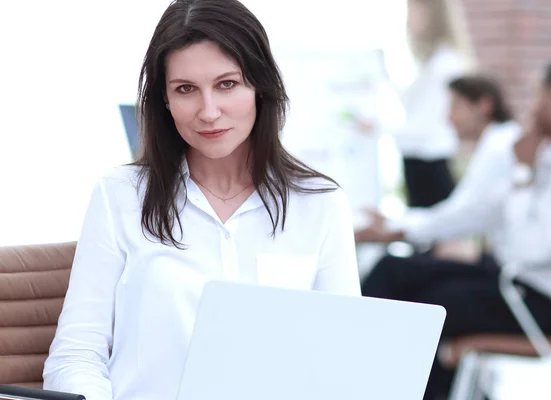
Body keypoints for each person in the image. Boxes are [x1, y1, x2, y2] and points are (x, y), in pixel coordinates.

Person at [43, 1, 360, 399]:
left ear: (260, 87)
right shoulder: (119, 195)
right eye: (186, 89)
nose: (208, 112)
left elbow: (344, 358)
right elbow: (74, 357)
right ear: (164, 99)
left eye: (227, 84)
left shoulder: (320, 204)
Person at [361, 62, 551, 399]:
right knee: (397, 274)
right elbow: (486, 217)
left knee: (430, 309)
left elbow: (526, 250)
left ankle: (377, 383)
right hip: (514, 282)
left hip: (537, 301)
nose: (531, 108)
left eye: (538, 96)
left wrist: (521, 174)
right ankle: (363, 378)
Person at [355, 74, 520, 249]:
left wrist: (396, 228)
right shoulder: (499, 141)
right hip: (506, 261)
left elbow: (463, 214)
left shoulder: (499, 147)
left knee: (390, 269)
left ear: (484, 105)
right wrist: (395, 223)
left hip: (511, 267)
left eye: (456, 106)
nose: (449, 118)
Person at [397, 0, 473, 208]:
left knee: (436, 234)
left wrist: (377, 128)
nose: (408, 19)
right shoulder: (431, 62)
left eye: (414, 11)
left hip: (430, 163)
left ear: (433, 15)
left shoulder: (445, 63)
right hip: (419, 163)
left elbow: (425, 124)